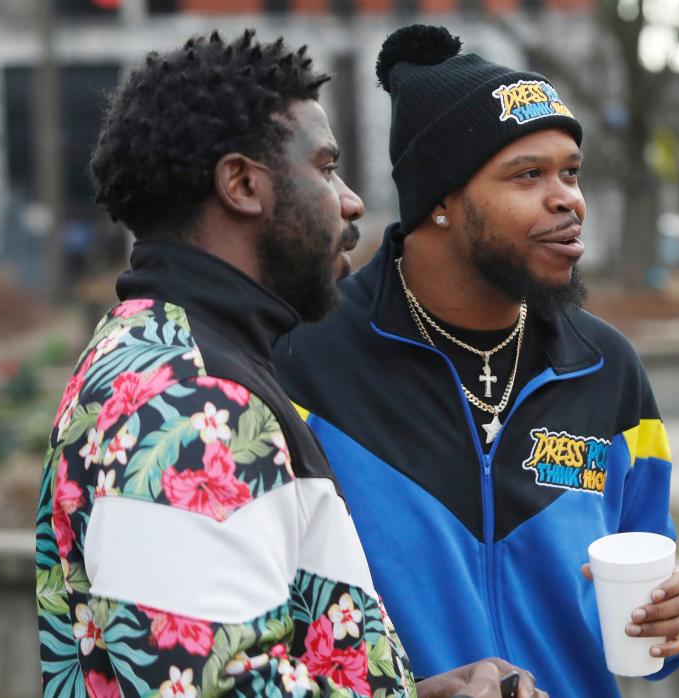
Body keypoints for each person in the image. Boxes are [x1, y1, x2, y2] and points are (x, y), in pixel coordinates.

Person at [35, 29, 544, 698]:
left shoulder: (171, 359)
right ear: (244, 184)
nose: (352, 201)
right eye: (326, 167)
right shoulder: (187, 402)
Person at [275, 24, 679, 697]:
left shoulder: (606, 368)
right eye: (528, 175)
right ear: (439, 200)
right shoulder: (304, 361)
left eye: (570, 172)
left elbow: (648, 572)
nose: (568, 199)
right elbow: (256, 625)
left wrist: (677, 619)